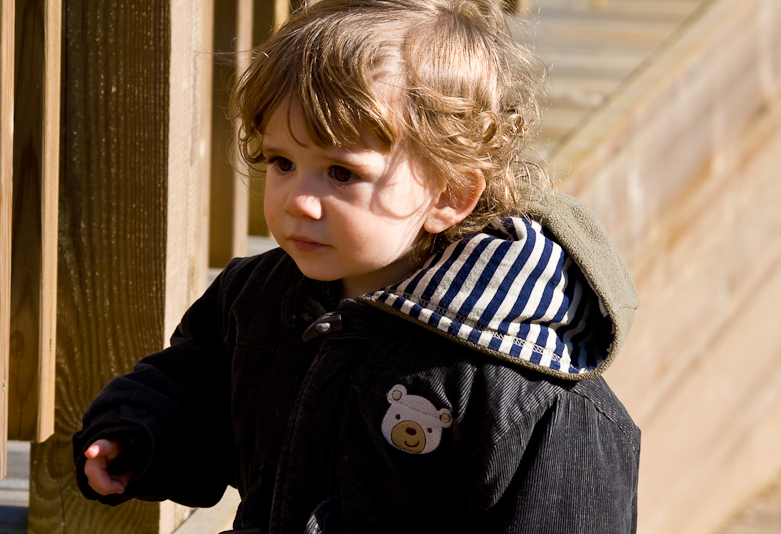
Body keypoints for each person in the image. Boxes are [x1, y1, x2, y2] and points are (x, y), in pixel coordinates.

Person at [73, 0, 641, 532]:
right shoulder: (260, 297)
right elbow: (197, 388)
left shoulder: (521, 387)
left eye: (341, 173)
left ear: (448, 194)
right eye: (282, 162)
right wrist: (139, 434)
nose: (298, 198)